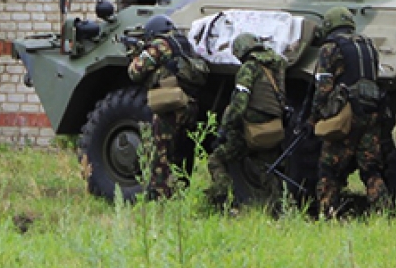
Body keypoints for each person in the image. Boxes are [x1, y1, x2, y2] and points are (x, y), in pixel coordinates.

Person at [310, 5, 391, 217]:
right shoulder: (367, 46)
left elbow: (323, 88)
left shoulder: (330, 48)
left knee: (329, 169)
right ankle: (383, 212)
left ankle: (327, 214)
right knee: (370, 169)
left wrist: (316, 116)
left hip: (346, 115)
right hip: (372, 113)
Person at [124, 15, 208, 200]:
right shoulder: (183, 43)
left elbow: (135, 73)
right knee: (182, 151)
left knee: (162, 153)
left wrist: (135, 55)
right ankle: (180, 191)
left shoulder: (160, 45)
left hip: (170, 107)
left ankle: (160, 195)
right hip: (188, 105)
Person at [207, 32, 289, 209]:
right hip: (273, 127)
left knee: (217, 159)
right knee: (268, 168)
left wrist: (224, 129)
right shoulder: (277, 67)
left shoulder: (249, 68)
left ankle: (223, 200)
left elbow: (239, 104)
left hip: (250, 128)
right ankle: (277, 208)